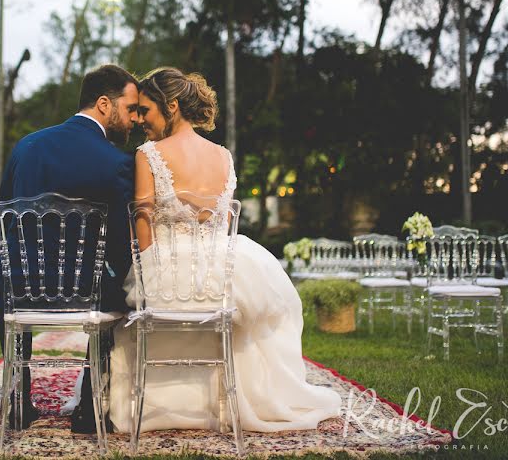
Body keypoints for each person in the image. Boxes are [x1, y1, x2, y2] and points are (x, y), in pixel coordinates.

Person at [107, 67, 342, 433]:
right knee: (247, 307)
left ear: (171, 107)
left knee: (129, 311)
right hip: (220, 278)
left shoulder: (148, 154)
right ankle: (232, 395)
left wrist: (148, 275)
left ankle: (157, 403)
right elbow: (217, 225)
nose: (140, 121)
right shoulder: (223, 156)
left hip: (167, 278)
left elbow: (143, 219)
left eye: (147, 111)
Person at [0, 64, 139, 432]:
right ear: (105, 104)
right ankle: (88, 407)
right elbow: (120, 243)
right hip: (85, 292)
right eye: (130, 108)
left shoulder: (27, 146)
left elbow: (4, 224)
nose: (134, 119)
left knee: (8, 275)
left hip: (19, 285)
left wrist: (12, 269)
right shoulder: (118, 162)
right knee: (121, 287)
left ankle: (19, 402)